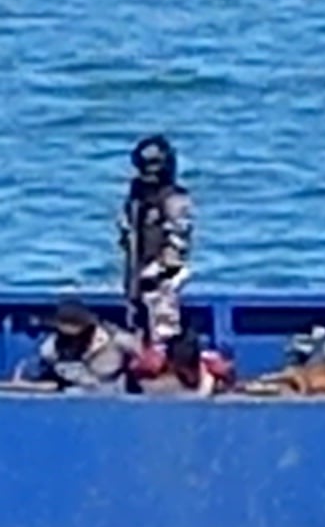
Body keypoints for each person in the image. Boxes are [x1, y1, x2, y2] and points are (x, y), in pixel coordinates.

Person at [120, 134, 195, 347]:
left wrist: (160, 269)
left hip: (162, 279)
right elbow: (128, 232)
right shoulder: (137, 197)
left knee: (163, 331)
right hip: (136, 275)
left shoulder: (174, 199)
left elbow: (179, 239)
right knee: (136, 328)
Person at [20, 300, 136, 391]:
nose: (74, 340)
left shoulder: (116, 339)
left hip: (110, 392)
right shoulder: (49, 348)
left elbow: (145, 362)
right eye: (67, 336)